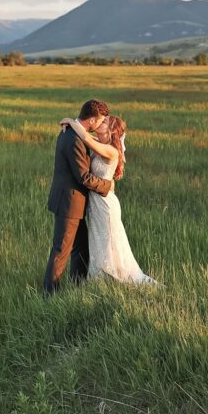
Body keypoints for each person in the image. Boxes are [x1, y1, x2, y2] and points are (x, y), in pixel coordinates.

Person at [59, 113, 158, 285]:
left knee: (108, 243)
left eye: (104, 122)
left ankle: (113, 279)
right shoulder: (99, 143)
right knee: (98, 242)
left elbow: (84, 136)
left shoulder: (111, 151)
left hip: (105, 205)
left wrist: (70, 121)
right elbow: (85, 136)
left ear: (111, 130)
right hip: (94, 204)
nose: (99, 122)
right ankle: (100, 280)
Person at [43, 98, 113, 294]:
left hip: (75, 202)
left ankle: (77, 287)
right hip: (69, 202)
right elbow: (83, 176)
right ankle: (49, 294)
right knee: (61, 250)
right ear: (91, 120)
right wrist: (108, 186)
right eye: (99, 121)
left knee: (81, 247)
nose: (100, 125)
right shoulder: (73, 138)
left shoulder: (72, 131)